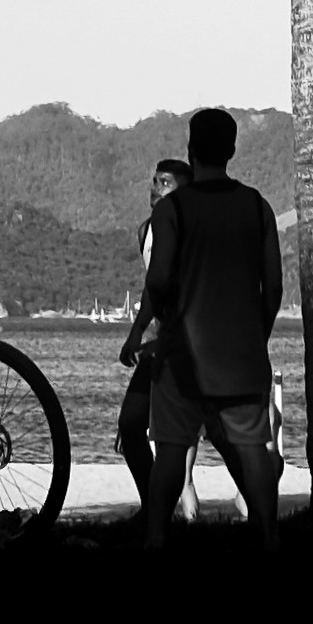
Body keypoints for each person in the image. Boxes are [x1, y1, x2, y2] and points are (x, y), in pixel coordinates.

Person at [140, 106, 284, 545]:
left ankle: (155, 538)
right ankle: (269, 535)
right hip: (241, 354)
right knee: (252, 449)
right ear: (233, 150)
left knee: (170, 451)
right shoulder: (257, 208)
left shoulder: (173, 210)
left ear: (191, 148)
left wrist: (155, 328)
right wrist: (257, 334)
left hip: (185, 353)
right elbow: (273, 285)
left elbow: (159, 278)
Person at [115, 155, 191, 511]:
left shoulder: (193, 234)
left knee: (217, 439)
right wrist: (138, 336)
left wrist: (156, 341)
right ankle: (153, 512)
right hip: (160, 345)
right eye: (154, 181)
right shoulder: (146, 231)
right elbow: (153, 288)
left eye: (165, 183)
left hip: (192, 347)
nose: (155, 189)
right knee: (131, 426)